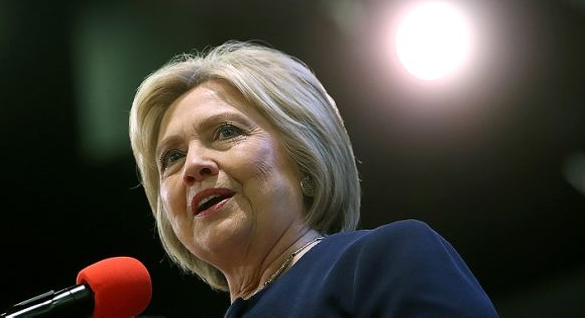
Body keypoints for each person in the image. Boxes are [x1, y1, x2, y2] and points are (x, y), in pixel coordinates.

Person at [129, 41, 498, 317]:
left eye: (226, 132)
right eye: (172, 157)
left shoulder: (383, 260)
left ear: (304, 157)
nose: (194, 164)